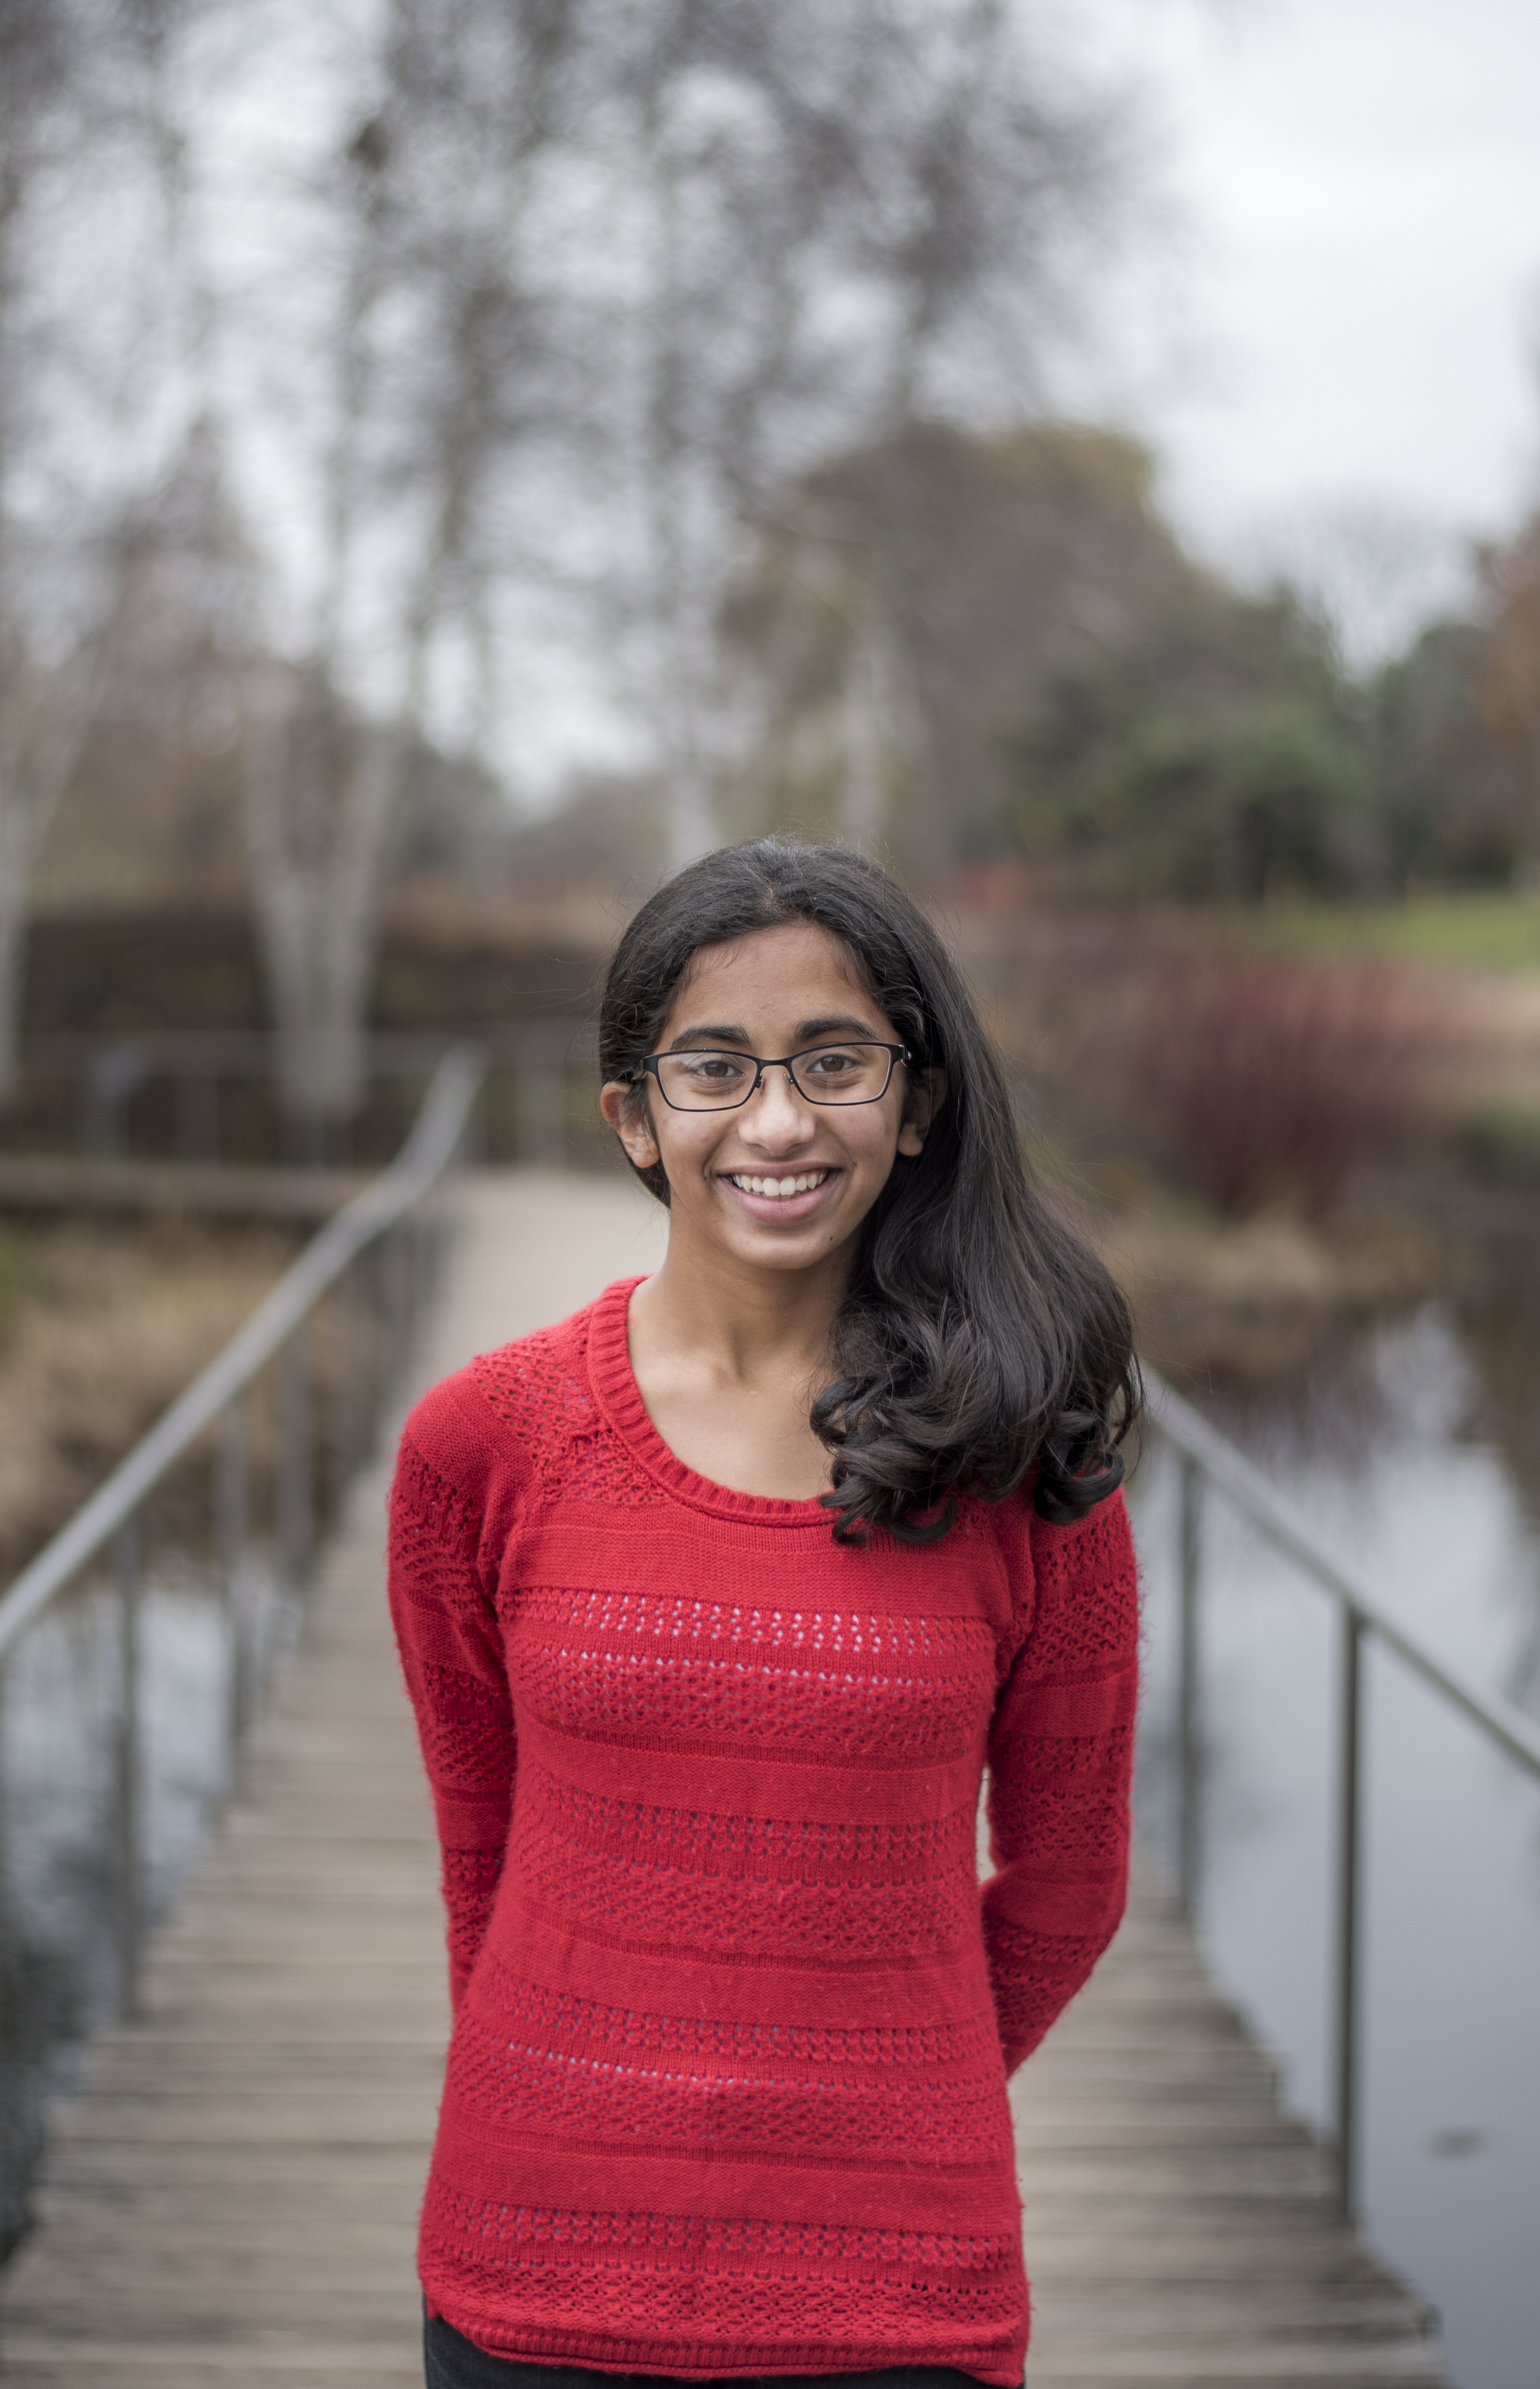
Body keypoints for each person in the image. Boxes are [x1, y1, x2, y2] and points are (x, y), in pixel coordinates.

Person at [388, 840, 1141, 2388]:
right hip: (536, 2278)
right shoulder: (482, 1447)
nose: (779, 1120)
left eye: (834, 1061)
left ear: (916, 1102)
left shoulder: (1027, 1465)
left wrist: (868, 2094)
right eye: (716, 1068)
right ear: (635, 1120)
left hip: (894, 2306)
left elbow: (1068, 1888)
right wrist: (602, 2103)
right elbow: (486, 1863)